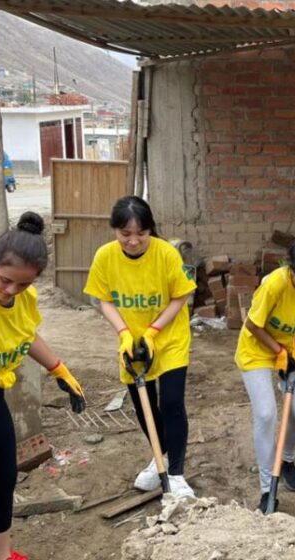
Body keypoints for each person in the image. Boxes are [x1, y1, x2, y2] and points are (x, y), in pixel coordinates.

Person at [0, 212, 86, 560]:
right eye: (5, 281)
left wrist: (59, 368)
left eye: (23, 284)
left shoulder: (23, 298)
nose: (12, 291)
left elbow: (26, 333)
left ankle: (1, 556)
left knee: (4, 485)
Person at [84, 196, 196, 499]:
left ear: (150, 231)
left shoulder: (166, 254)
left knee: (171, 404)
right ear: (115, 231)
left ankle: (176, 474)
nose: (133, 241)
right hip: (131, 342)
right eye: (125, 235)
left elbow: (180, 297)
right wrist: (123, 332)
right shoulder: (105, 256)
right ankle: (158, 458)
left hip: (169, 337)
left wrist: (153, 330)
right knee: (143, 405)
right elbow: (103, 299)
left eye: (141, 234)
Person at [235, 236, 295, 513]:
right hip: (257, 349)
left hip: (291, 347)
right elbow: (253, 325)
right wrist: (278, 351)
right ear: (291, 272)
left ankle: (286, 460)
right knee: (266, 414)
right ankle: (268, 488)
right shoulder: (275, 284)